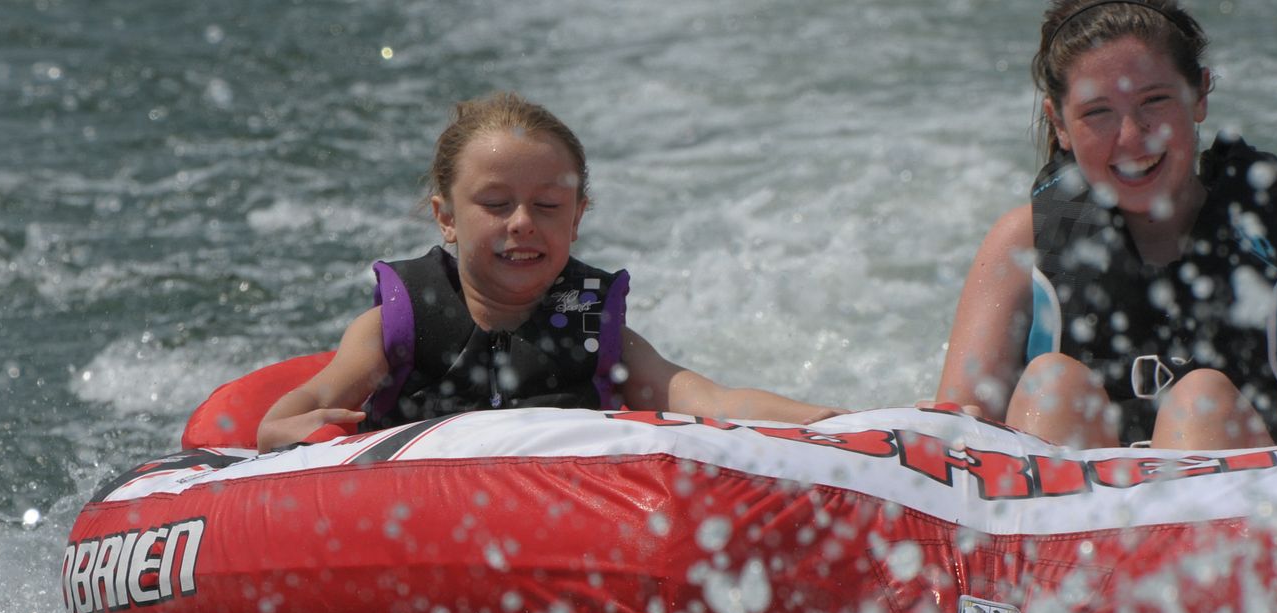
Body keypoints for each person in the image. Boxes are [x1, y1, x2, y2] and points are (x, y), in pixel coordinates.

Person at [934, 0, 1277, 459]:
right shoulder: (1025, 244)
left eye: (1154, 101)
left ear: (1199, 96)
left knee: (1201, 401)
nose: (1130, 136)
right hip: (1069, 536)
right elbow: (954, 430)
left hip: (1246, 531)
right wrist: (859, 449)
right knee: (1053, 385)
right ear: (1058, 122)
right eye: (1097, 112)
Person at [258, 93, 841, 452]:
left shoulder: (595, 327)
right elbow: (303, 406)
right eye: (494, 204)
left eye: (548, 207)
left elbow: (712, 400)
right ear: (446, 219)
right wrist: (282, 428)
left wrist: (825, 422)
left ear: (577, 218)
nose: (522, 224)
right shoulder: (396, 326)